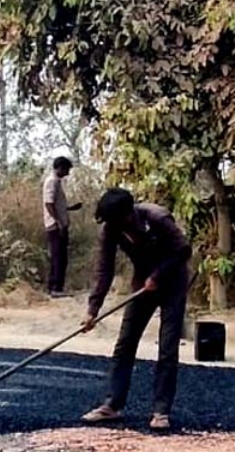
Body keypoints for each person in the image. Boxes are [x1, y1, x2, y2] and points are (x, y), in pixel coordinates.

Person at [79, 187, 193, 430]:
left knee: (167, 347)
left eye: (115, 220)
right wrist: (93, 309)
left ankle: (161, 412)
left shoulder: (157, 218)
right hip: (142, 283)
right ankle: (112, 405)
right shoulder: (111, 228)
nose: (111, 225)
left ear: (128, 214)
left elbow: (183, 250)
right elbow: (104, 269)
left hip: (172, 282)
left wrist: (158, 275)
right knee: (125, 343)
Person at [42, 156, 81, 297]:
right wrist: (59, 222)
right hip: (55, 226)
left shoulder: (56, 182)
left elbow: (55, 205)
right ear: (60, 168)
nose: (68, 173)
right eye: (67, 169)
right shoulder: (51, 182)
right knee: (59, 257)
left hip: (58, 224)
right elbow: (48, 203)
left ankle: (56, 287)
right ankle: (55, 288)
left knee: (60, 256)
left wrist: (69, 208)